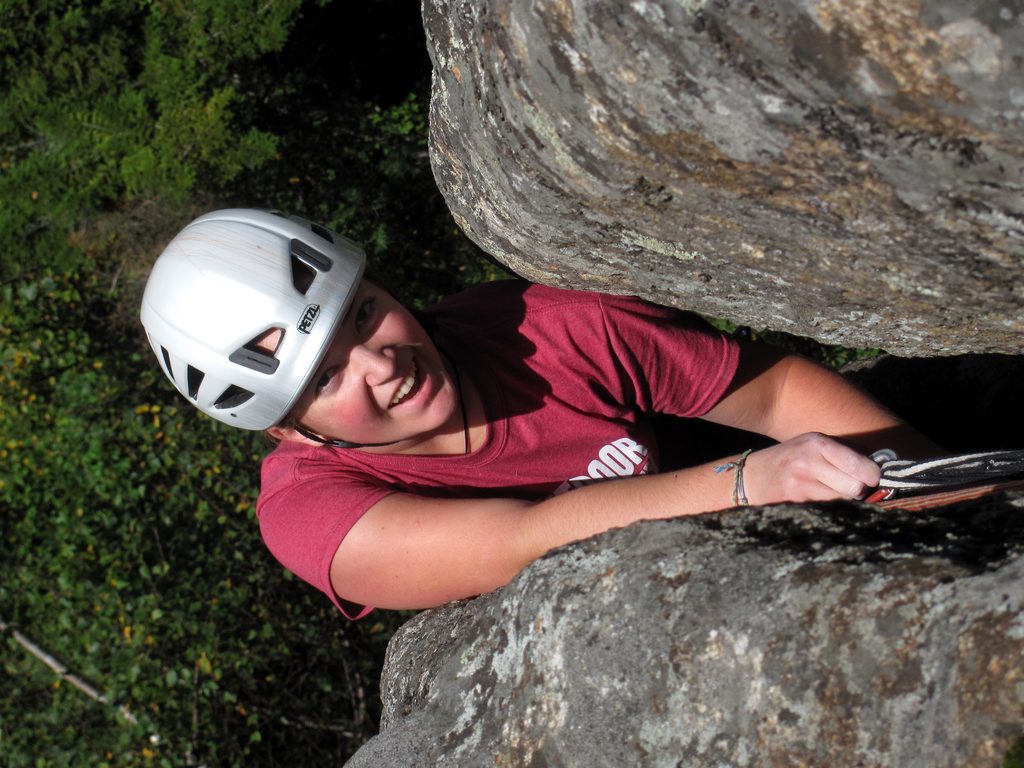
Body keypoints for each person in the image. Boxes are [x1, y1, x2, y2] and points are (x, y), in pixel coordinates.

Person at [141, 209, 940, 619]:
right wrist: (748, 482)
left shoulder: (550, 330)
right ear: (289, 430)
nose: (383, 365)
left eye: (362, 315)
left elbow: (771, 391)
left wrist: (941, 490)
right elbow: (521, 542)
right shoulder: (309, 516)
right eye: (325, 379)